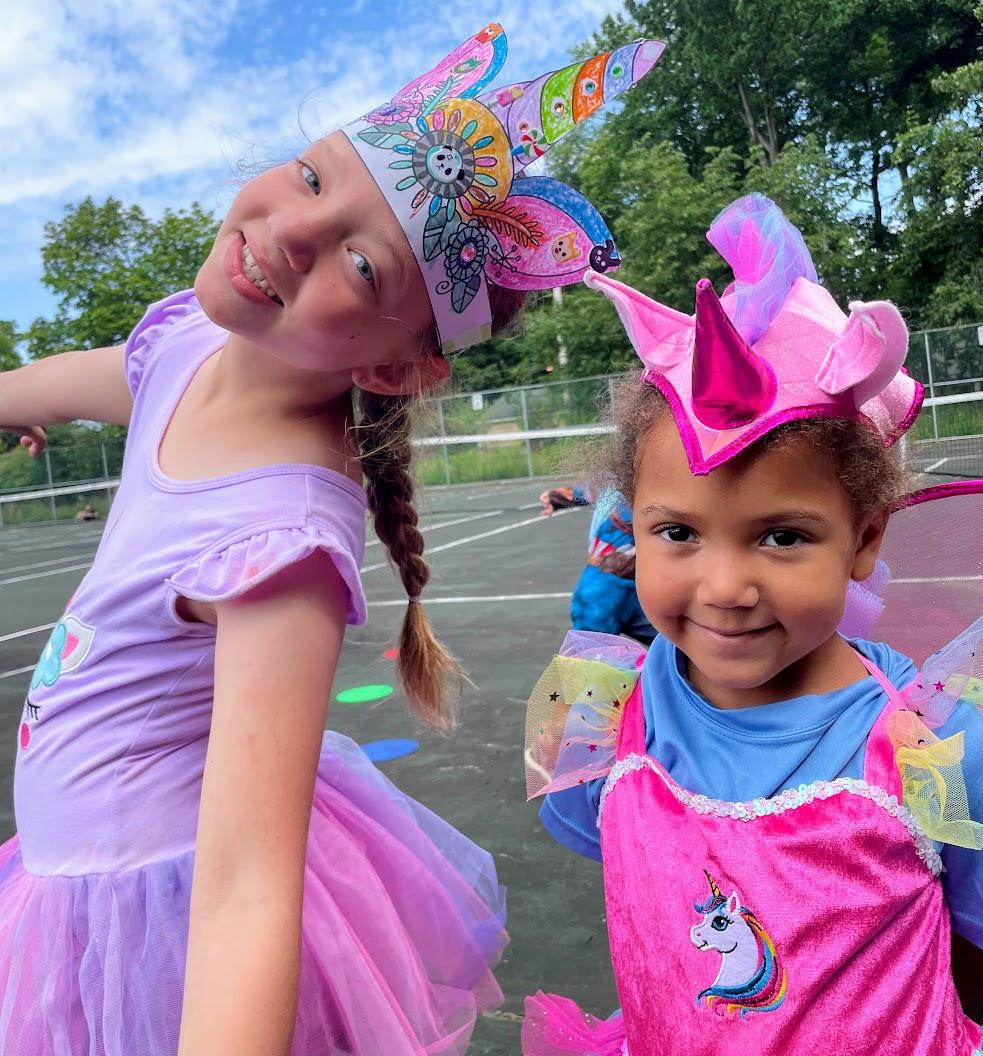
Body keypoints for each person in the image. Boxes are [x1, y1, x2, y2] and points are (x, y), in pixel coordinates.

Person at [0, 24, 664, 1056]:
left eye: (359, 260)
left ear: (397, 367)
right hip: (66, 878)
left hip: (151, 928)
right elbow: (46, 387)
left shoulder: (277, 540)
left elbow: (243, 892)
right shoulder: (186, 344)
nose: (292, 231)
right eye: (314, 175)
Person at [520, 195, 983, 1056]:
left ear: (864, 538)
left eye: (782, 536)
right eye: (677, 532)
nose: (726, 587)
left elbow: (976, 966)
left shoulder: (946, 754)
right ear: (632, 523)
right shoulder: (602, 718)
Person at [540, 484, 655, 644]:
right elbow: (594, 490)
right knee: (588, 652)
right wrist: (562, 497)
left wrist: (564, 497)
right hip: (608, 582)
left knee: (676, 640)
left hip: (617, 580)